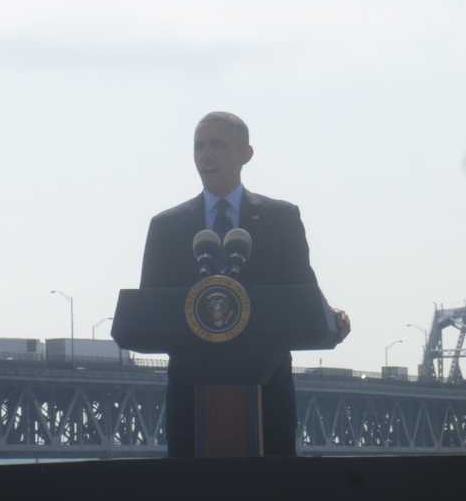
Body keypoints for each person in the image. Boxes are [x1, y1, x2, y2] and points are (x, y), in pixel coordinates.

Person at [140, 111, 349, 457]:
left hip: (267, 395)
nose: (206, 155)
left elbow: (301, 294)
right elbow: (150, 311)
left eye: (218, 145)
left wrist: (331, 317)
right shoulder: (167, 227)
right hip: (190, 398)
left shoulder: (280, 219)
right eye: (199, 146)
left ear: (246, 154)